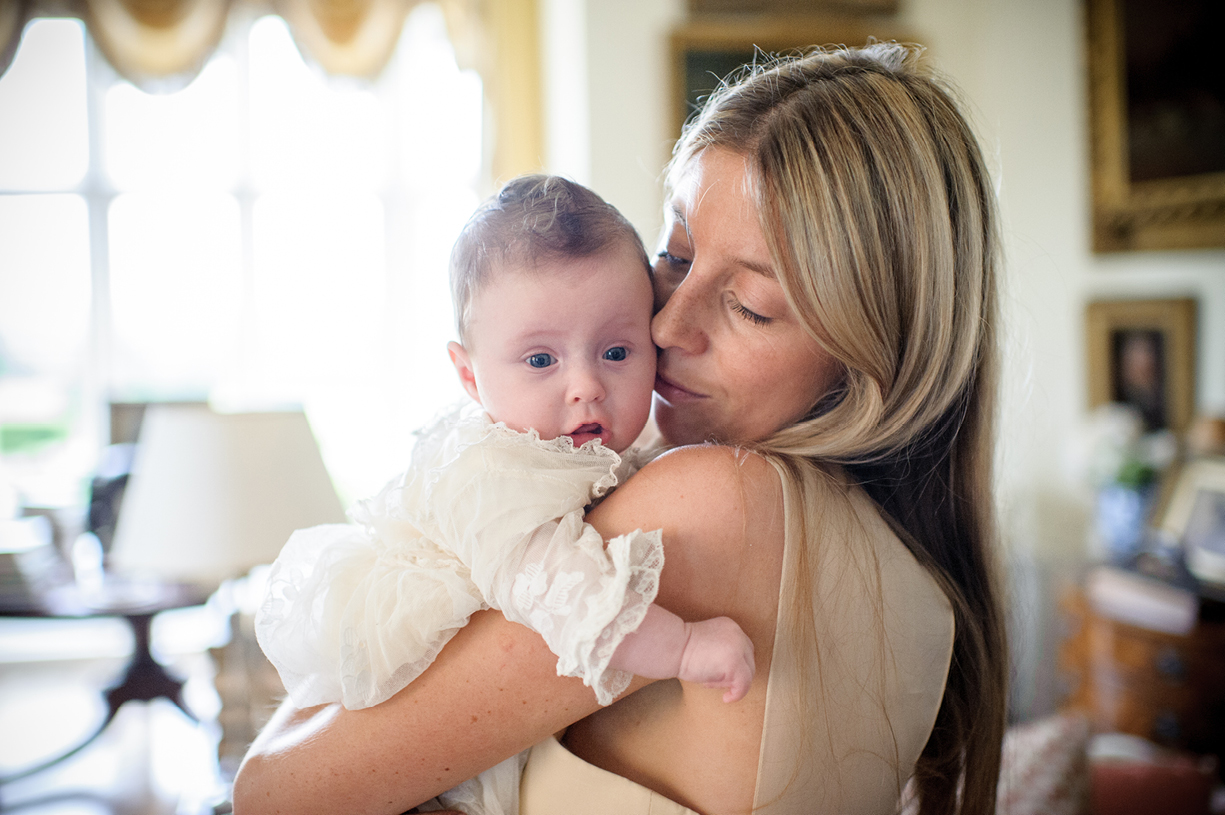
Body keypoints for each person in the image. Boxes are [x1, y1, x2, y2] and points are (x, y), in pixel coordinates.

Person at [233, 42, 1007, 815]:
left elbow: (275, 792)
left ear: (875, 349)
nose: (666, 324)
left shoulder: (717, 502)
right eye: (673, 256)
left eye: (749, 304)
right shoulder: (918, 587)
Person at [253, 174, 755, 815]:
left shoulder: (591, 451)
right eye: (541, 360)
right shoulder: (491, 473)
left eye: (616, 350)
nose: (585, 386)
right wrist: (684, 648)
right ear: (469, 374)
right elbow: (560, 589)